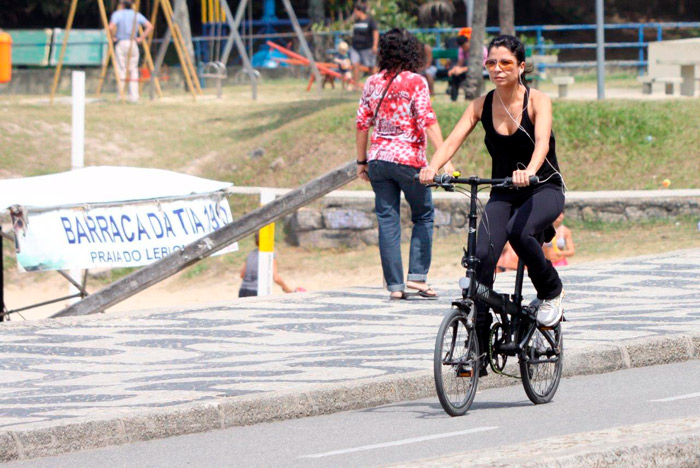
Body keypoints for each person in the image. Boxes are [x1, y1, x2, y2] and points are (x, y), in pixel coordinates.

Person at [419, 34, 566, 359]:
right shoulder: (481, 104)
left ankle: (551, 291)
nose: (497, 69)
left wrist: (529, 169)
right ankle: (478, 350)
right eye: (491, 63)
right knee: (481, 259)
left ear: (521, 67)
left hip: (544, 187)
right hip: (503, 192)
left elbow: (542, 141)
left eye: (505, 63)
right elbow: (452, 140)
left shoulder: (537, 101)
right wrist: (432, 167)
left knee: (518, 232)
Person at [356, 28, 455, 301]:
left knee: (388, 221)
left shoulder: (372, 82)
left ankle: (395, 286)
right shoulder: (416, 82)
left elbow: (362, 124)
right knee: (423, 215)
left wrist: (361, 161)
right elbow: (428, 120)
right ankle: (418, 278)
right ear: (411, 51)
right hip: (408, 161)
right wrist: (445, 160)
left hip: (378, 160)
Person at [109, 0, 153, 102]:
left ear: (122, 4)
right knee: (133, 69)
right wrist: (141, 38)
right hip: (133, 43)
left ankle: (121, 95)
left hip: (121, 43)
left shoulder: (117, 14)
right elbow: (150, 26)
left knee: (122, 69)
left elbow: (110, 27)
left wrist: (112, 37)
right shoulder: (136, 14)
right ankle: (134, 96)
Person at [239, 233, 296, 297]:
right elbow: (276, 278)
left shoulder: (251, 254)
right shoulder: (269, 255)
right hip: (258, 291)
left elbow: (242, 275)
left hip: (243, 291)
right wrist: (288, 290)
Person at [446, 28, 488, 101]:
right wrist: (454, 70)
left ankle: (469, 96)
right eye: (461, 46)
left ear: (469, 41)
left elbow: (481, 64)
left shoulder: (480, 48)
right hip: (469, 69)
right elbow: (460, 62)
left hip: (482, 68)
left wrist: (462, 69)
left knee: (468, 74)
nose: (463, 48)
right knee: (455, 76)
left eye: (464, 46)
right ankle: (453, 98)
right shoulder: (461, 49)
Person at [349, 2, 379, 87]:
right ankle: (355, 85)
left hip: (367, 48)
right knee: (355, 65)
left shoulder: (370, 21)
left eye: (355, 11)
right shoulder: (356, 21)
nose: (354, 13)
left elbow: (375, 33)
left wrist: (375, 45)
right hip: (355, 48)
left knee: (371, 67)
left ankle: (375, 85)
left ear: (360, 11)